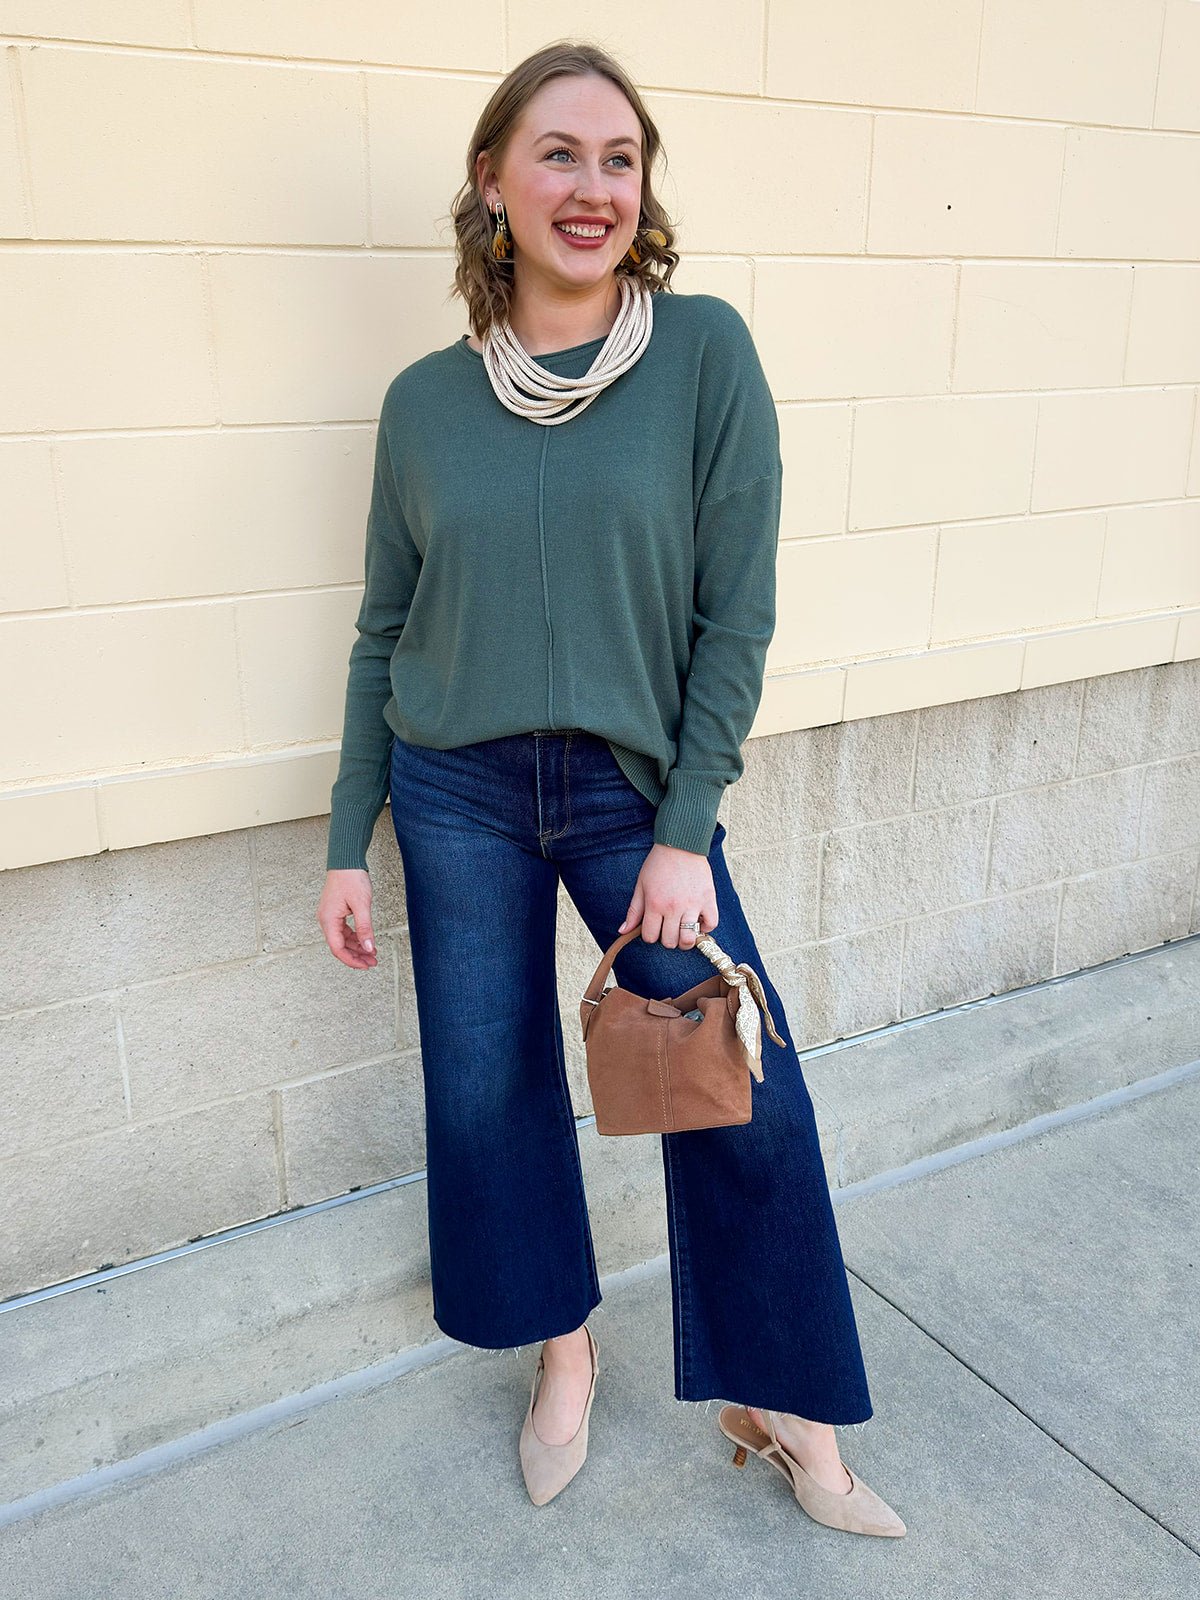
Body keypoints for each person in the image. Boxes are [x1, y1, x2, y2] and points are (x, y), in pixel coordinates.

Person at [316, 39, 905, 1538]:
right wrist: (345, 838)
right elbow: (385, 627)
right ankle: (564, 1353)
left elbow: (735, 616)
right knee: (488, 1090)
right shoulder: (424, 403)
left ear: (643, 189)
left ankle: (785, 1398)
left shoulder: (702, 355)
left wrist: (685, 829)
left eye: (619, 158)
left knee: (739, 1091)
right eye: (559, 153)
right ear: (492, 182)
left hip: (629, 796)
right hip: (452, 791)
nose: (593, 187)